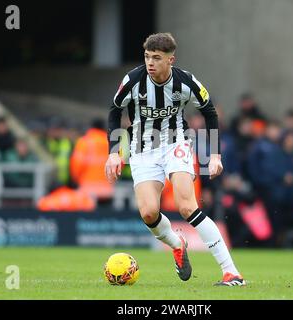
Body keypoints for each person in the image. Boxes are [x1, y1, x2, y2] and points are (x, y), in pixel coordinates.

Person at [105, 33, 245, 286]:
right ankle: (177, 244)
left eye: (157, 58)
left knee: (187, 206)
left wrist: (215, 155)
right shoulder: (133, 80)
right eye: (147, 57)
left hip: (175, 143)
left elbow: (210, 113)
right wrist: (114, 152)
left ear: (171, 60)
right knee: (149, 213)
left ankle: (231, 272)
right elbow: (115, 111)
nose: (150, 63)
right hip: (143, 149)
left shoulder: (186, 82)